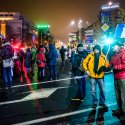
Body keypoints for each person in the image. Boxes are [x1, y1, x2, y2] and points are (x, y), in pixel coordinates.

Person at [82, 45, 109, 110]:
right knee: (93, 91)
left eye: (97, 49)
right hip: (92, 76)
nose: (95, 50)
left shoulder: (103, 56)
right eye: (94, 49)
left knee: (102, 90)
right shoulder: (90, 56)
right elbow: (84, 63)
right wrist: (86, 70)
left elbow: (107, 65)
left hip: (100, 76)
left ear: (99, 49)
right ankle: (94, 102)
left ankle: (102, 103)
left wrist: (104, 67)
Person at [110, 42, 125, 119]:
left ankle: (124, 112)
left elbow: (124, 64)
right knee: (117, 95)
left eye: (114, 45)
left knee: (123, 95)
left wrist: (115, 67)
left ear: (119, 46)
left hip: (122, 77)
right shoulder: (114, 55)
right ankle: (120, 110)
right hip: (116, 77)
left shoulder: (123, 53)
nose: (113, 47)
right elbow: (110, 64)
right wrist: (105, 67)